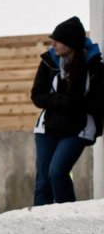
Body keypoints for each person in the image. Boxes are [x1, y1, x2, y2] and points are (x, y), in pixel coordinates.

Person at [31, 15, 103, 205]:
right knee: (43, 182)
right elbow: (37, 95)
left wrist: (77, 102)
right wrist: (61, 100)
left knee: (57, 173)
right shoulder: (49, 61)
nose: (53, 44)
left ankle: (68, 221)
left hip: (78, 129)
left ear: (71, 43)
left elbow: (98, 101)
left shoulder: (95, 67)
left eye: (58, 40)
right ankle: (39, 229)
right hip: (47, 129)